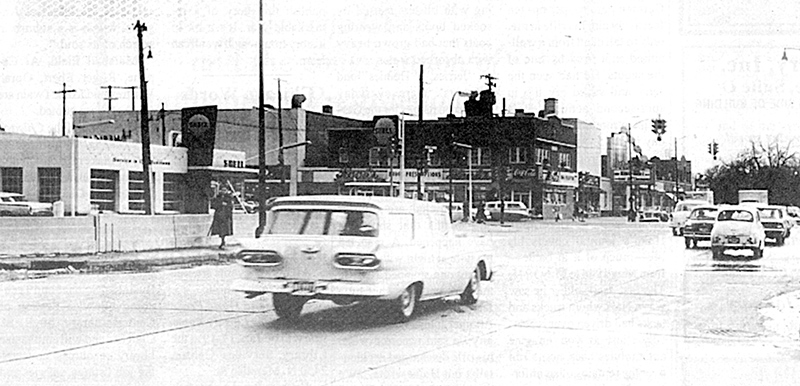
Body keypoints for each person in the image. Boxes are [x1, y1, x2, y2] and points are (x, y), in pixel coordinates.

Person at [210, 184, 235, 249]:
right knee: (219, 229)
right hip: (219, 216)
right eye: (222, 190)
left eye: (225, 190)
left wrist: (226, 205)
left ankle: (223, 241)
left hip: (226, 216)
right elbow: (214, 205)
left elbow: (231, 207)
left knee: (224, 229)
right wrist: (220, 204)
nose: (223, 191)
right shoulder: (218, 197)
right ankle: (222, 240)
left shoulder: (229, 197)